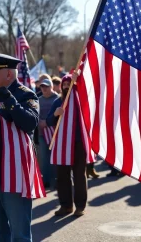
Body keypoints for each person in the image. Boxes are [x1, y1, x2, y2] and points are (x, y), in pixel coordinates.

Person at [0, 53, 40, 242]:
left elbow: (29, 124)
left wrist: (9, 98)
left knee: (19, 233)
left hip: (13, 174)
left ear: (9, 75)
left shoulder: (25, 94)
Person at [47, 73, 92, 217]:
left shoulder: (81, 100)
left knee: (79, 176)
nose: (67, 86)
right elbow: (48, 121)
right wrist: (55, 114)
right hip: (62, 144)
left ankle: (80, 206)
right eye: (64, 85)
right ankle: (66, 206)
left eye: (69, 84)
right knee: (62, 176)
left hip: (78, 144)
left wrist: (78, 80)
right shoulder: (57, 101)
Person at [38, 78, 58, 188]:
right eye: (42, 86)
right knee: (44, 157)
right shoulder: (38, 100)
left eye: (46, 86)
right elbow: (35, 114)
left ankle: (56, 178)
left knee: (55, 156)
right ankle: (45, 180)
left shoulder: (57, 99)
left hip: (55, 133)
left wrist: (47, 122)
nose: (44, 89)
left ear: (51, 86)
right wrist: (40, 122)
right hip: (42, 133)